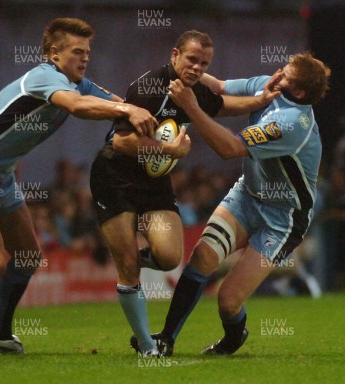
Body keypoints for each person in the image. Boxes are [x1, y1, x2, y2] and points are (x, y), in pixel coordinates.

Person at [0, 17, 158, 359]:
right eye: (77, 51)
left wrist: (161, 115)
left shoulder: (76, 82)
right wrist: (126, 108)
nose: (85, 58)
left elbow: (115, 104)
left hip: (2, 177)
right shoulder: (44, 77)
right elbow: (79, 107)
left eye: (88, 52)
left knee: (27, 257)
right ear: (55, 53)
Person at [89, 30, 273, 357]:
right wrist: (168, 151)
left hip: (154, 181)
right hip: (115, 175)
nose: (197, 68)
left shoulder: (194, 91)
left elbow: (225, 105)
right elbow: (120, 141)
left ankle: (131, 258)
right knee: (129, 268)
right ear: (175, 55)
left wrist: (261, 100)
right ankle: (148, 346)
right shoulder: (149, 88)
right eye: (191, 60)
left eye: (203, 63)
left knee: (170, 257)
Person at [150, 52, 331, 355]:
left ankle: (234, 337)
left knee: (228, 300)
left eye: (285, 74)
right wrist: (183, 70)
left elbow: (230, 148)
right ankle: (166, 338)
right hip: (248, 195)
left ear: (297, 92)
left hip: (283, 218)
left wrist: (191, 106)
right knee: (203, 257)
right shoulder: (270, 86)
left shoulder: (292, 123)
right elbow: (219, 87)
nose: (277, 74)